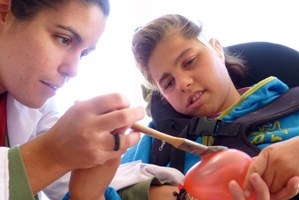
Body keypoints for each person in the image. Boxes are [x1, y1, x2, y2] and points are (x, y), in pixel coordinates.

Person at [120, 13, 299, 199]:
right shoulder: (156, 143)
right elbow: (104, 187)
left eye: (189, 62)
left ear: (217, 49)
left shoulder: (293, 107)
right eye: (168, 83)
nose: (182, 83)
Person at [0, 0, 145, 199]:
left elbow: (64, 187)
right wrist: (53, 155)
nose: (73, 70)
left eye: (84, 54)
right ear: (4, 12)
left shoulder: (41, 108)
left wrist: (90, 190)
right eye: (63, 39)